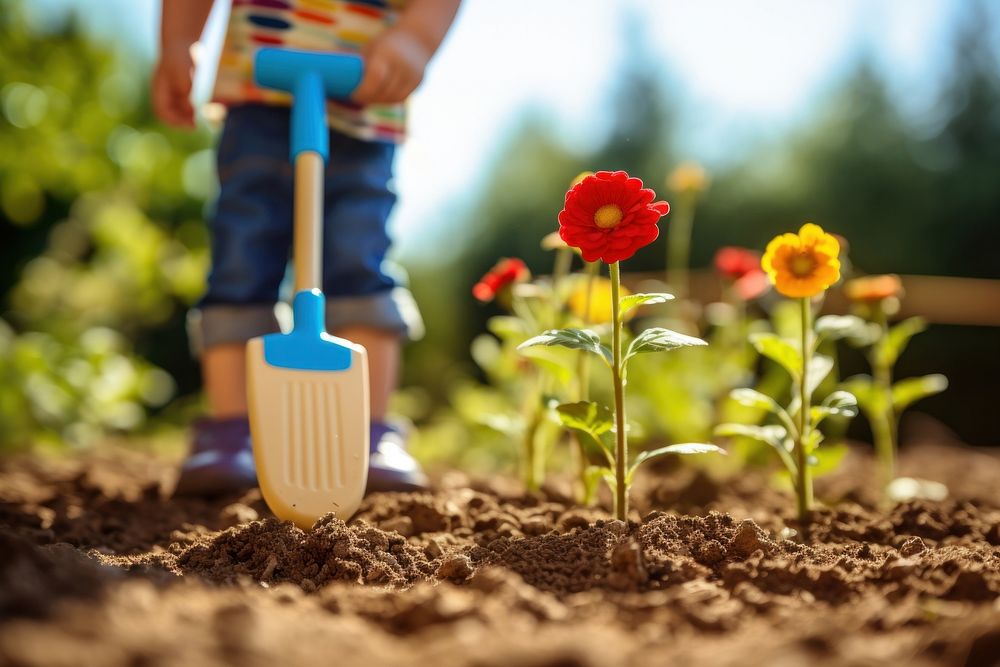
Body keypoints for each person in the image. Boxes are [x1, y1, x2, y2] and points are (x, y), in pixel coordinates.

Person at [152, 0, 461, 496]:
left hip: (365, 101)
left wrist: (415, 37)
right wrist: (178, 41)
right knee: (241, 255)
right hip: (257, 95)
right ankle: (233, 430)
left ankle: (368, 430)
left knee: (357, 256)